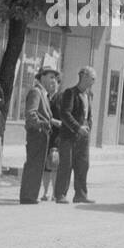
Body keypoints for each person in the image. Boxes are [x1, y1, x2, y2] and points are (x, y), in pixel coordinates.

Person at [54, 65, 97, 204]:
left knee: (83, 165)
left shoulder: (89, 95)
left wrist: (88, 126)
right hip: (69, 136)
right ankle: (60, 194)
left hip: (83, 137)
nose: (93, 82)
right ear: (84, 77)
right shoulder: (70, 93)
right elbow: (65, 113)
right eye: (92, 78)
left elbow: (89, 114)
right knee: (66, 165)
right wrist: (77, 128)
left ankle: (81, 194)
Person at [20, 64, 60, 205]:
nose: (53, 81)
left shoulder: (43, 94)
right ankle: (28, 196)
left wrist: (53, 122)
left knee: (37, 166)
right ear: (41, 77)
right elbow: (31, 114)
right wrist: (42, 125)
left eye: (55, 78)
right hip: (36, 134)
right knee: (33, 165)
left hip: (41, 135)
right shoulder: (36, 92)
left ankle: (31, 195)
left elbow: (44, 115)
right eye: (50, 77)